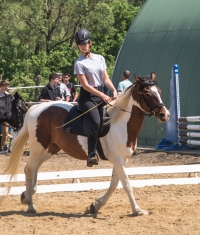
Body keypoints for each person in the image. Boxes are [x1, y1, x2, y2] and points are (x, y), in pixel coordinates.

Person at [74, 28, 117, 167]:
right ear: (78, 46)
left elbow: (105, 78)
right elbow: (85, 85)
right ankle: (91, 154)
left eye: (85, 43)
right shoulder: (79, 63)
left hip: (100, 92)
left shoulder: (100, 58)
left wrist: (113, 89)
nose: (83, 46)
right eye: (80, 44)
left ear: (90, 43)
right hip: (88, 97)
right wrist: (103, 95)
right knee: (96, 122)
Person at [0, 80, 10, 154]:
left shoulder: (7, 95)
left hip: (4, 116)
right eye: (6, 86)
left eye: (7, 86)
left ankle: (3, 148)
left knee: (5, 132)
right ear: (2, 86)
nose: (7, 87)